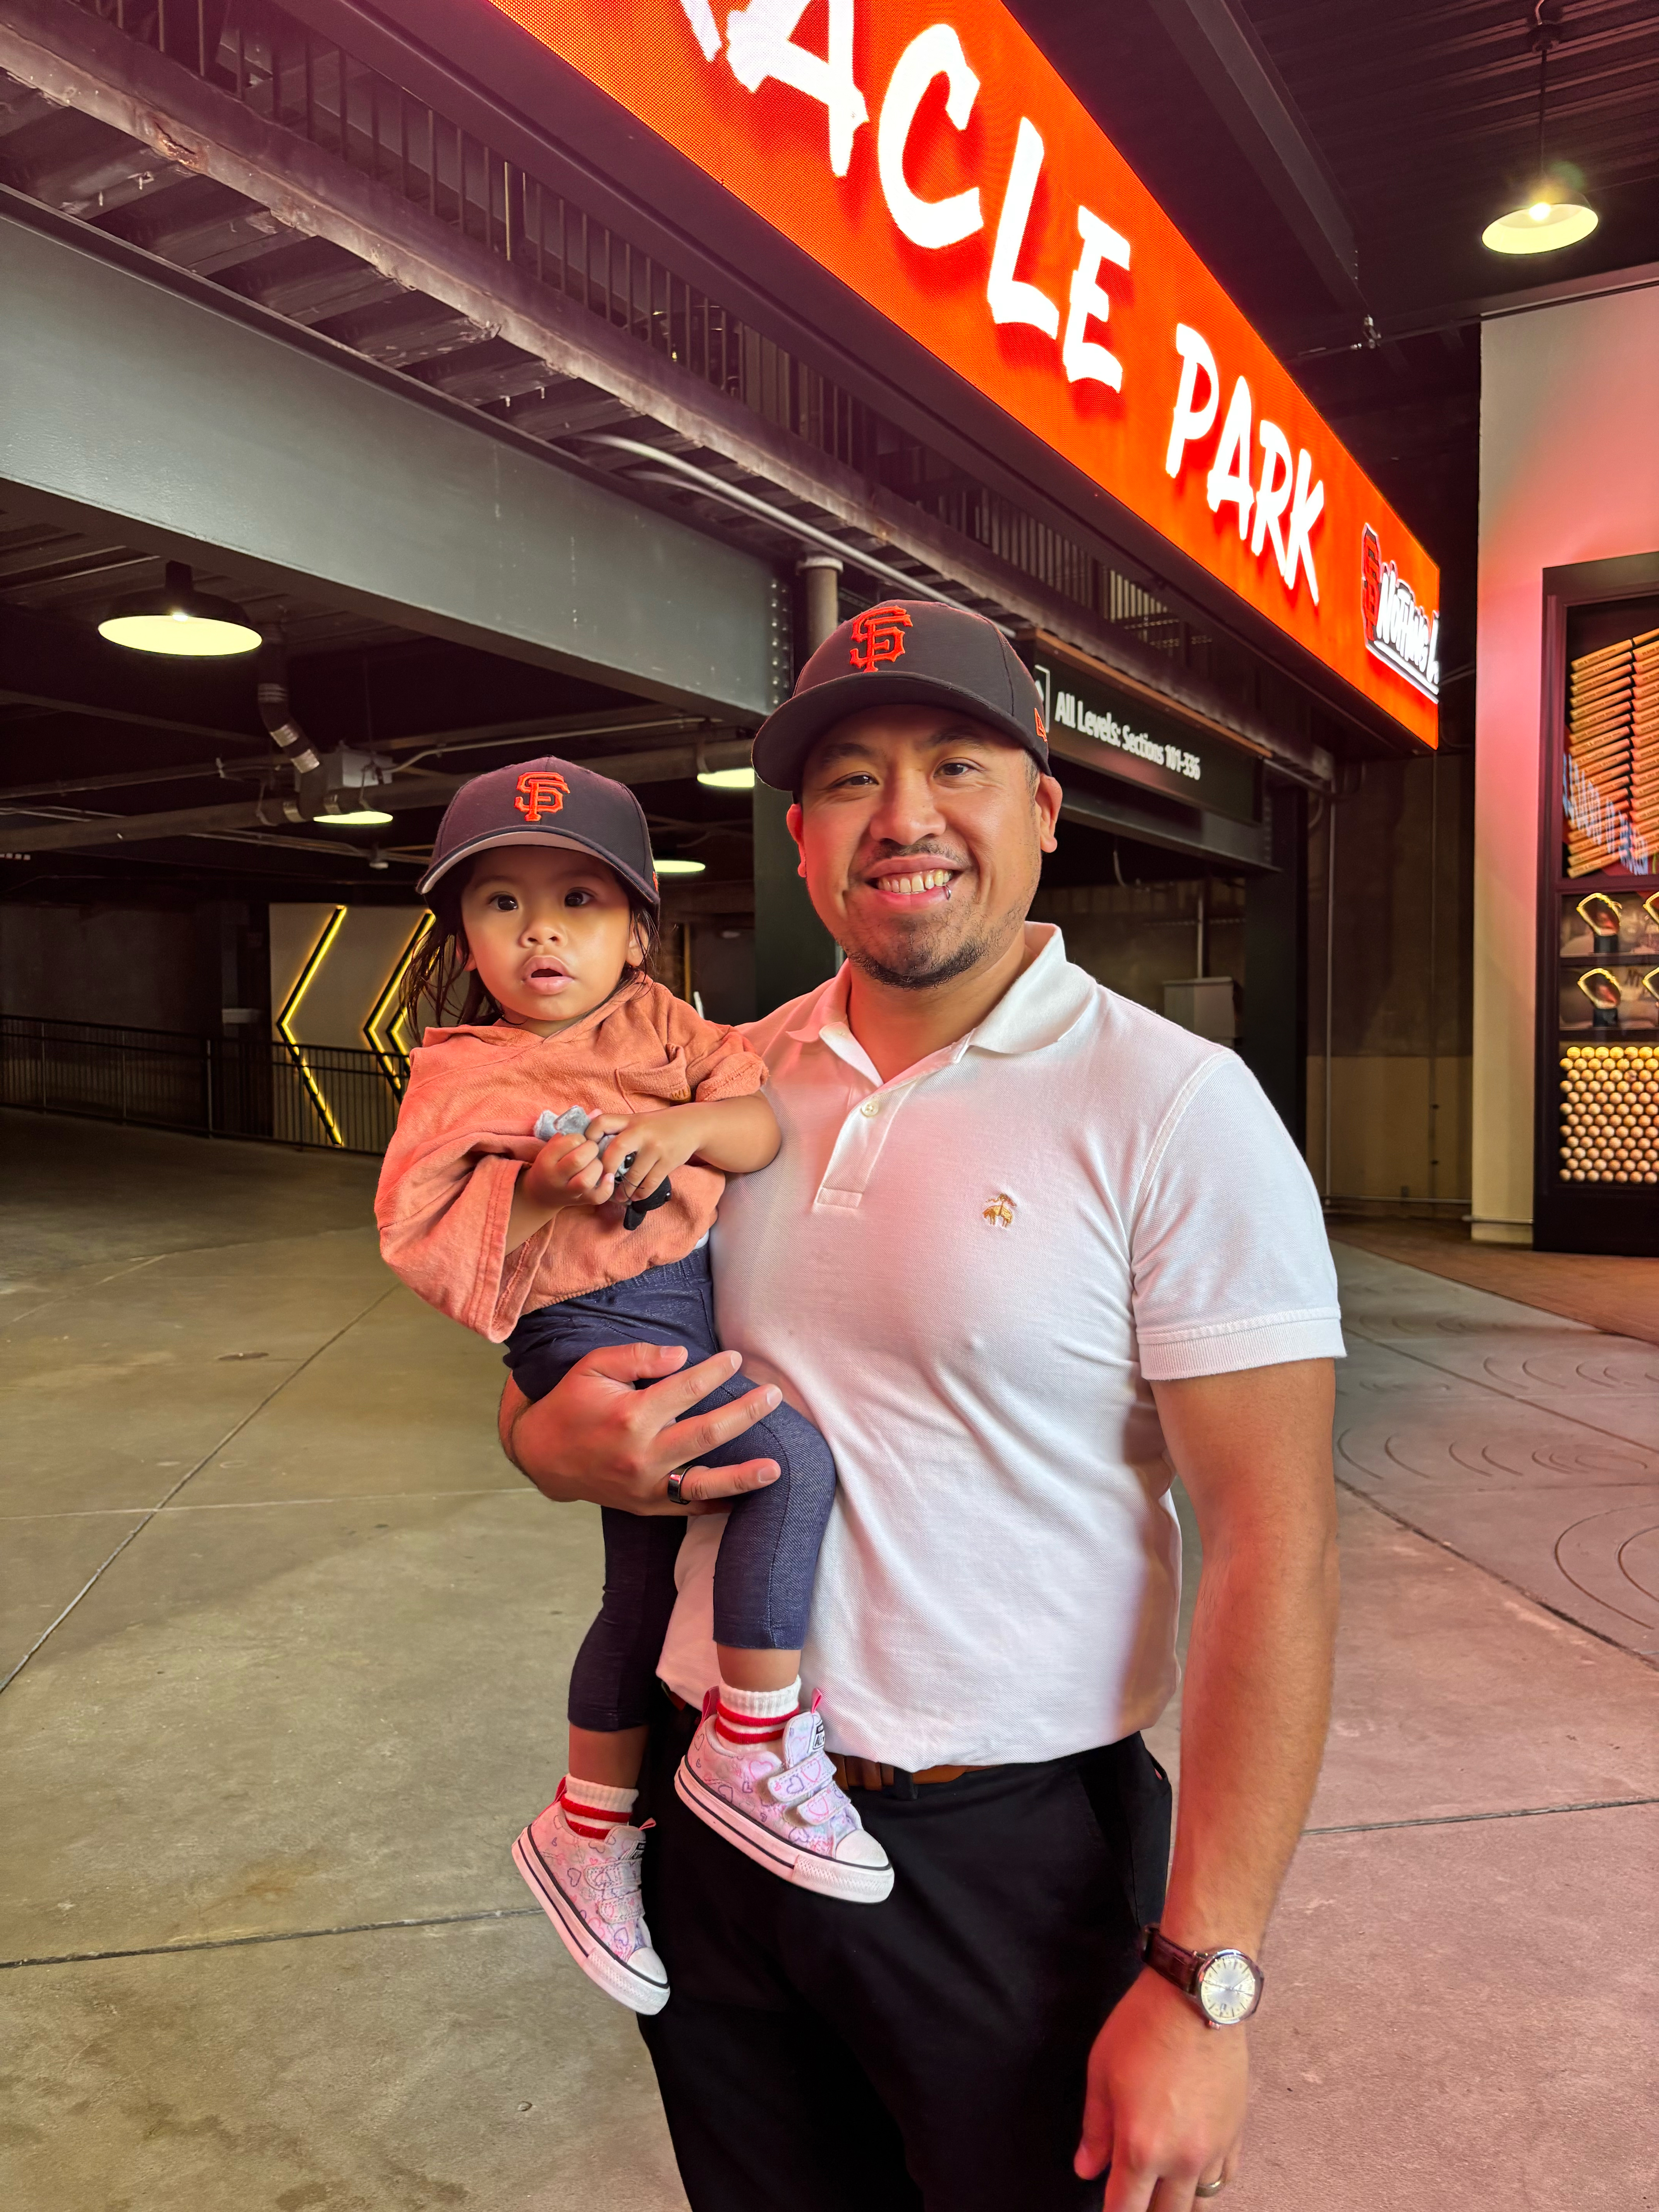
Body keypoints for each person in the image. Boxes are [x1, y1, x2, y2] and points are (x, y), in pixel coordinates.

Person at [501, 601, 1343, 2212]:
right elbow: (572, 1349)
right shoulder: (717, 1085)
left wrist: (1205, 1972)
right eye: (849, 781)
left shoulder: (1170, 1107)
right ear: (806, 845)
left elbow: (1271, 1547)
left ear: (1042, 810)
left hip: (1005, 1866)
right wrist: (544, 1447)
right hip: (711, 1812)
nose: (904, 817)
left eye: (957, 762)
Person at [375, 756, 891, 2021]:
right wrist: (533, 1186)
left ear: (636, 934)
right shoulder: (459, 1068)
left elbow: (757, 1123)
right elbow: (411, 1222)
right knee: (790, 1465)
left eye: (579, 901)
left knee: (641, 1587)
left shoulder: (664, 1032)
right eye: (501, 903)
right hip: (585, 1335)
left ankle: (588, 1822)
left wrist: (674, 1133)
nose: (541, 929)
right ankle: (755, 1734)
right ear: (463, 935)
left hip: (674, 1305)